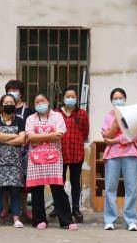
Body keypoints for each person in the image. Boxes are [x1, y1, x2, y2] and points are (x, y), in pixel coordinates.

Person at [25, 93, 75, 230]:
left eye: (42, 100)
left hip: (53, 157)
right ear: (34, 105)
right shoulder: (30, 118)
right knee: (36, 189)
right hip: (35, 158)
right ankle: (39, 220)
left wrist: (39, 137)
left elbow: (59, 134)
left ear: (48, 101)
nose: (40, 103)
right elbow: (29, 137)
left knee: (58, 188)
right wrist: (50, 136)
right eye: (37, 102)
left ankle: (66, 221)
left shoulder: (57, 116)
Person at [102, 88, 137, 232]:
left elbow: (133, 136)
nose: (118, 100)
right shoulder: (108, 116)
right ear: (111, 101)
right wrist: (115, 123)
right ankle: (109, 220)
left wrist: (114, 141)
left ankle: (131, 220)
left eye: (120, 98)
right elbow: (106, 135)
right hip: (112, 156)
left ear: (125, 99)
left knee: (131, 188)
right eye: (115, 98)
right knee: (110, 188)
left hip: (131, 154)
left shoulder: (133, 115)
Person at [0, 92, 26, 228]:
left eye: (11, 103)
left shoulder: (20, 121)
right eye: (6, 102)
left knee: (15, 190)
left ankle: (16, 218)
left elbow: (22, 139)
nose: (9, 104)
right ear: (1, 105)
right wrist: (13, 137)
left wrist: (3, 139)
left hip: (15, 161)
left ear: (15, 105)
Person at [59, 86, 90, 223]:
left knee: (75, 182)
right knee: (59, 182)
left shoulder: (82, 114)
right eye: (68, 96)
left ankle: (76, 208)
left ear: (77, 99)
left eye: (73, 97)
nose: (70, 99)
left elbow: (85, 132)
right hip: (60, 153)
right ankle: (59, 205)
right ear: (63, 98)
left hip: (77, 153)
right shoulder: (56, 113)